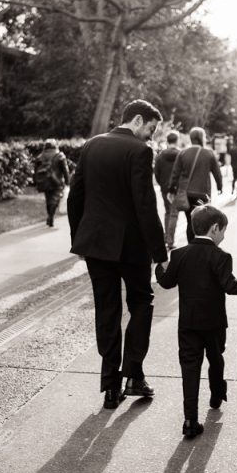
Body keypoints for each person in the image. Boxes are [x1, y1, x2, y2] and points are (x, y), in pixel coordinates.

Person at [67, 99, 168, 410]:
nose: (151, 137)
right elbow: (145, 205)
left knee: (106, 309)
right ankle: (134, 376)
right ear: (137, 120)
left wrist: (79, 240)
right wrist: (159, 251)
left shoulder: (92, 145)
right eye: (151, 129)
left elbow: (76, 196)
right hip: (131, 246)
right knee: (141, 303)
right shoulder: (139, 151)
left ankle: (110, 386)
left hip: (95, 244)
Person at [155, 205, 237, 438]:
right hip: (214, 324)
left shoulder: (179, 255)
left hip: (188, 325)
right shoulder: (221, 256)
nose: (224, 235)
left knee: (189, 369)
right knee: (216, 359)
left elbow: (166, 282)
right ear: (214, 228)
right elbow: (231, 286)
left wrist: (158, 269)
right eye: (223, 230)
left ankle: (189, 421)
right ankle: (216, 395)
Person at [167, 127, 222, 243]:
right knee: (204, 222)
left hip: (187, 193)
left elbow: (175, 174)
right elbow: (217, 172)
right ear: (202, 138)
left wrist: (171, 190)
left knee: (190, 221)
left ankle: (191, 246)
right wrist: (220, 186)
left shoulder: (183, 153)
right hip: (203, 193)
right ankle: (202, 246)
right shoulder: (208, 153)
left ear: (191, 138)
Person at [34, 139, 71, 227]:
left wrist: (36, 182)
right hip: (57, 182)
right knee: (55, 200)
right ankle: (51, 216)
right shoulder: (60, 156)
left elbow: (35, 171)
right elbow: (65, 170)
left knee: (48, 200)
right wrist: (67, 182)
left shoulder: (40, 157)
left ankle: (50, 216)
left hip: (45, 182)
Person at [154, 131, 181, 250]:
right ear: (177, 140)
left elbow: (156, 173)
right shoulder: (181, 154)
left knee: (167, 212)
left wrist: (162, 185)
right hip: (177, 188)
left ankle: (166, 238)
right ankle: (170, 241)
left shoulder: (160, 156)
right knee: (174, 214)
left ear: (167, 140)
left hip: (165, 188)